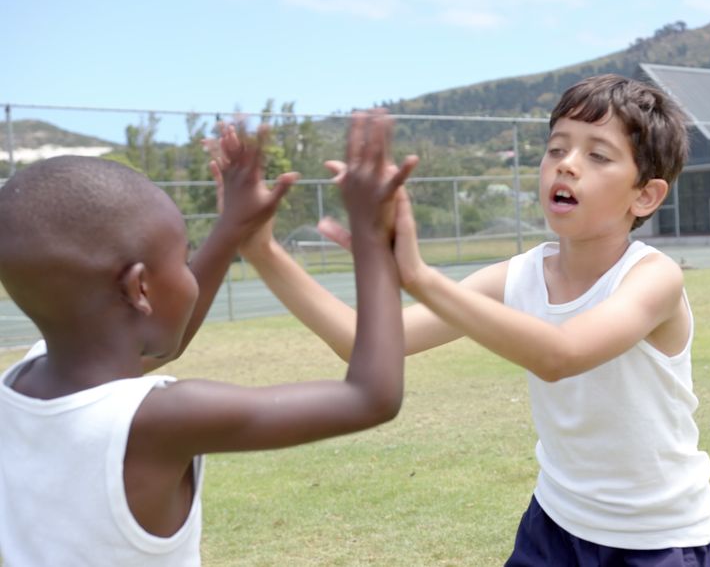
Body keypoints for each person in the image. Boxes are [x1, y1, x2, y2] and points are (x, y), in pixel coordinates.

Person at [240, 74, 710, 566]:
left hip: (653, 540)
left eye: (598, 155)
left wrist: (419, 277)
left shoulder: (653, 278)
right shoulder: (518, 276)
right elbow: (363, 342)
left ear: (645, 196)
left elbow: (561, 354)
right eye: (556, 149)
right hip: (555, 523)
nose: (567, 165)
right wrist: (262, 251)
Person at [0, 112, 413, 566]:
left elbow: (161, 343)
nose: (191, 276)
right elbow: (371, 397)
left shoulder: (21, 383)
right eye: (184, 259)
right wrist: (373, 236)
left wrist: (233, 225)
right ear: (140, 289)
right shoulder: (159, 419)